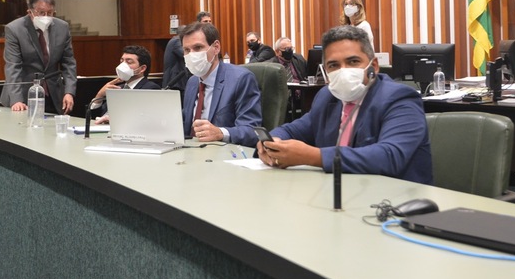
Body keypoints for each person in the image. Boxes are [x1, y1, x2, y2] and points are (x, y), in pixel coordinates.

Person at [257, 25, 431, 182]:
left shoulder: (399, 98)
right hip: (338, 193)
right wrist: (272, 142)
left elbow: (389, 157)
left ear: (374, 66)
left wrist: (313, 156)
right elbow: (292, 130)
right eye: (333, 65)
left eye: (353, 62)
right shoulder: (327, 96)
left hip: (395, 199)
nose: (344, 71)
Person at [180, 22, 262, 146]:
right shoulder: (192, 82)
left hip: (225, 153)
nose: (192, 55)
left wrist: (220, 133)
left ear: (216, 47)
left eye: (198, 48)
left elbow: (252, 130)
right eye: (186, 50)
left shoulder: (241, 79)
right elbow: (185, 125)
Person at [1, 0, 77, 115]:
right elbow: (13, 66)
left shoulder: (62, 27)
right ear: (30, 12)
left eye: (50, 13)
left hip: (53, 96)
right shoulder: (14, 29)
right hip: (24, 95)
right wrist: (17, 100)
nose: (46, 17)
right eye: (41, 13)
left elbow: (69, 63)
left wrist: (69, 92)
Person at [93, 45, 161, 124]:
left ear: (142, 68)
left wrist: (115, 120)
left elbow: (144, 118)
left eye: (129, 62)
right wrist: (99, 95)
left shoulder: (150, 88)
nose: (122, 65)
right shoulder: (118, 88)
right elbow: (94, 117)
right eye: (121, 61)